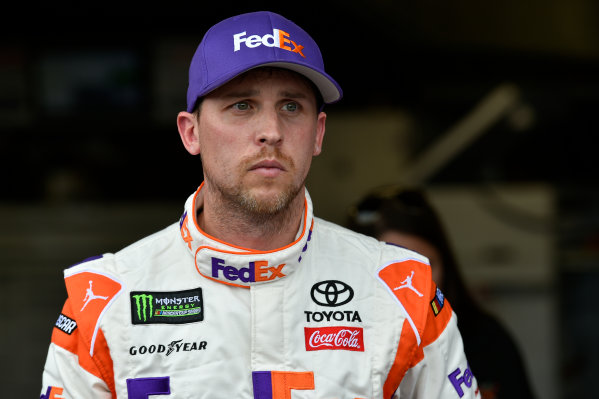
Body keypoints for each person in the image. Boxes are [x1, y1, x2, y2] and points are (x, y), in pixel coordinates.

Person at [40, 11, 481, 398]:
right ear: (190, 132)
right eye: (242, 105)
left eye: (291, 106)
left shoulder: (402, 290)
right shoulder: (105, 298)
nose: (270, 130)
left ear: (318, 133)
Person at [347, 186, 536, 399]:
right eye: (391, 272)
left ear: (446, 265)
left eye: (423, 268)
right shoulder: (332, 348)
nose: (409, 288)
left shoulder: (489, 340)